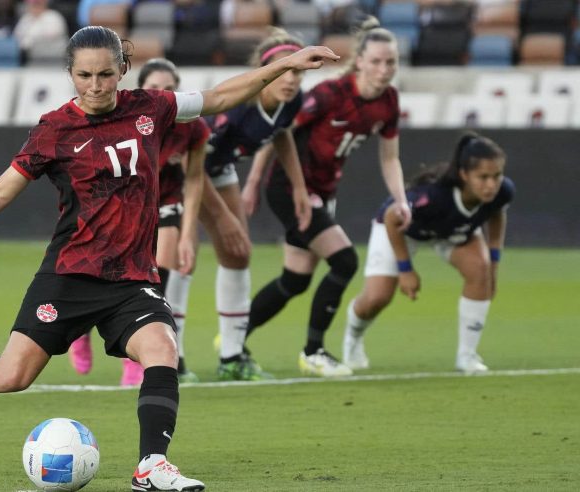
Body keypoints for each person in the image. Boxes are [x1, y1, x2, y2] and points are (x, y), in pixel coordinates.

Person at [0, 25, 339, 492]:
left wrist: (283, 64)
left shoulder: (152, 108)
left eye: (106, 75)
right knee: (10, 377)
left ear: (123, 71)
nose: (95, 86)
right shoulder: (54, 129)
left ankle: (151, 466)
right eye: (85, 76)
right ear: (70, 74)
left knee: (162, 350)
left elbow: (218, 98)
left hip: (131, 278)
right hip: (69, 275)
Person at [242, 18, 411, 377]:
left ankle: (233, 337)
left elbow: (390, 156)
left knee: (296, 279)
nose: (384, 70)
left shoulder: (389, 101)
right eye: (377, 61)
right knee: (345, 261)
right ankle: (314, 351)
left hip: (322, 193)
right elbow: (279, 130)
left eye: (391, 62)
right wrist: (254, 181)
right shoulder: (329, 95)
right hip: (289, 189)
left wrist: (401, 199)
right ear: (360, 61)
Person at [69, 58, 208, 386]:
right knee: (104, 276)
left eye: (170, 88)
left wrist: (189, 235)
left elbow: (196, 178)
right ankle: (82, 329)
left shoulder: (192, 126)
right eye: (156, 88)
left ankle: (136, 358)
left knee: (158, 277)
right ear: (141, 89)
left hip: (165, 203)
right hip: (120, 205)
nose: (163, 94)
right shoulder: (122, 119)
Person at [342, 132, 513, 374]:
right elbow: (393, 217)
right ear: (464, 175)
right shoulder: (433, 196)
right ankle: (353, 338)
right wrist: (405, 270)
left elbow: (497, 214)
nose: (491, 185)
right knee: (377, 298)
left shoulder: (502, 191)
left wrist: (494, 264)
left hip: (449, 230)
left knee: (480, 270)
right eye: (483, 177)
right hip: (403, 229)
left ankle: (467, 356)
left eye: (496, 176)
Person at [201, 28, 314, 381]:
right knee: (174, 259)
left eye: (297, 70)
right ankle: (174, 360)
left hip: (218, 170)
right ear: (264, 71)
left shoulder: (290, 100)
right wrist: (223, 217)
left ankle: (231, 358)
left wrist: (299, 187)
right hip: (176, 172)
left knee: (239, 254)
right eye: (284, 69)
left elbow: (281, 134)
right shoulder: (235, 109)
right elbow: (191, 167)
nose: (291, 78)